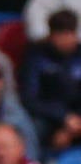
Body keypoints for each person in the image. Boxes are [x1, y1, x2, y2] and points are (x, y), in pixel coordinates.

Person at [19, 9, 81, 153]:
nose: (67, 39)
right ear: (51, 35)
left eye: (70, 33)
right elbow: (29, 99)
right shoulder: (36, 56)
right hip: (48, 116)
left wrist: (73, 126)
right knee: (34, 127)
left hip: (77, 118)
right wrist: (64, 117)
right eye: (62, 34)